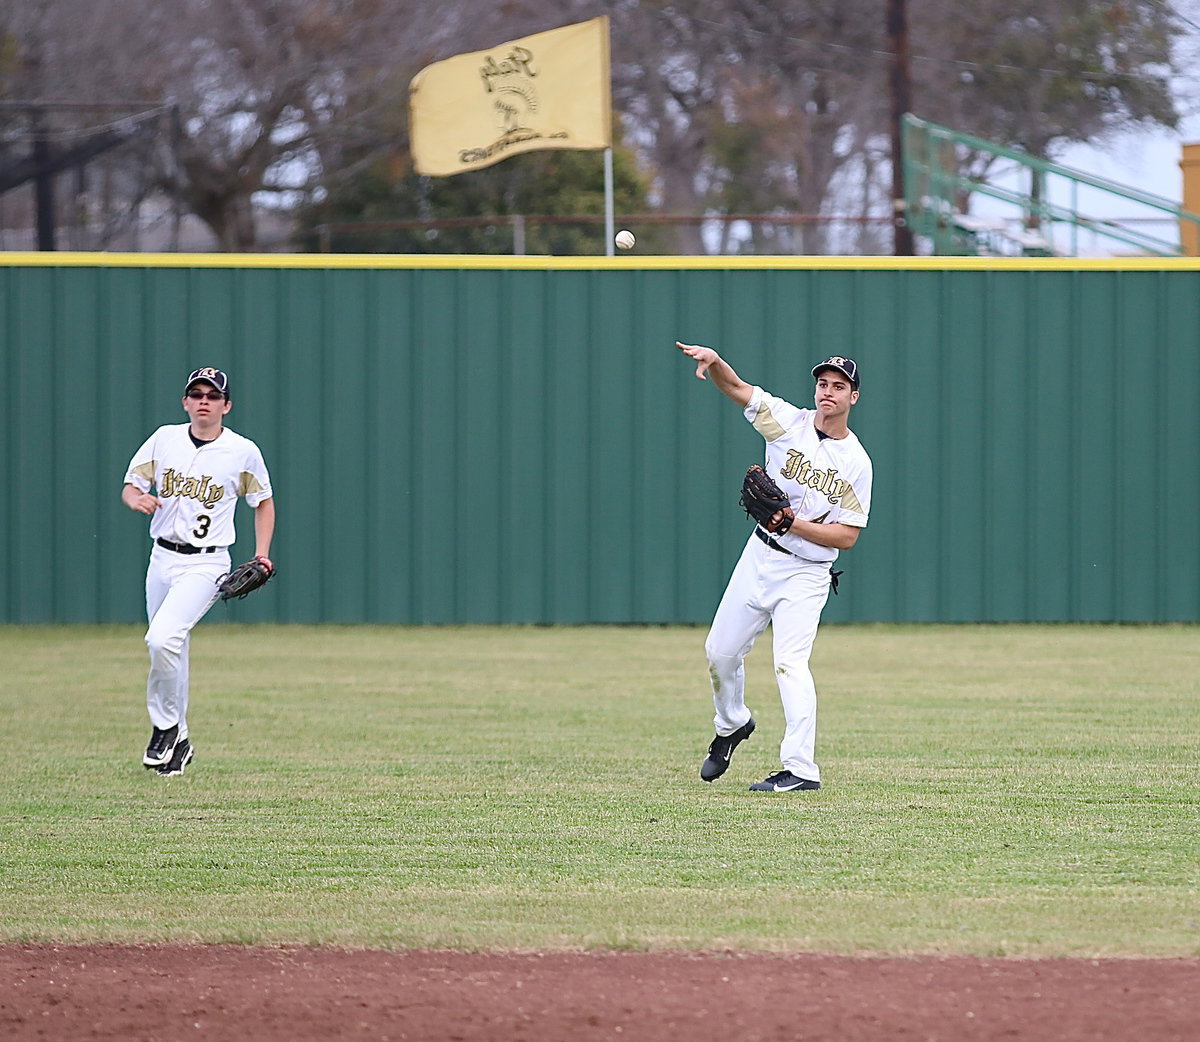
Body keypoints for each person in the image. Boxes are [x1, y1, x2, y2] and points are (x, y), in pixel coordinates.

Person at [676, 341, 873, 792]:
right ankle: (732, 724)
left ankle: (801, 769)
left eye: (838, 387)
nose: (828, 392)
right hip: (759, 555)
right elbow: (739, 389)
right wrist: (717, 362)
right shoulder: (788, 422)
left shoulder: (857, 463)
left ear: (852, 397)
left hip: (806, 573)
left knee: (790, 664)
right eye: (823, 383)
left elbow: (848, 536)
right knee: (719, 654)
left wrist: (795, 523)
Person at [121, 367, 275, 776]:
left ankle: (165, 726)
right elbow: (131, 485)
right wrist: (136, 498)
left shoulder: (241, 451)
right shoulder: (164, 439)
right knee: (172, 647)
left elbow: (263, 500)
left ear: (226, 405)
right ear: (186, 402)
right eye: (196, 393)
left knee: (161, 639)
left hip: (206, 561)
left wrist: (262, 554)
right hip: (162, 558)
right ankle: (181, 741)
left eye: (212, 394)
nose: (204, 400)